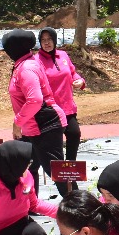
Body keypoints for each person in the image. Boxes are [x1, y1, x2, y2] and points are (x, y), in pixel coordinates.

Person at [3, 29, 66, 191]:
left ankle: (82, 211)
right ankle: (30, 205)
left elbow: (35, 100)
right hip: (31, 127)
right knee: (27, 167)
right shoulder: (23, 64)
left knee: (57, 172)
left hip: (45, 126)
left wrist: (17, 122)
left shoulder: (26, 69)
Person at [37, 27, 87, 196]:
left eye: (49, 39)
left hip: (68, 107)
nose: (46, 42)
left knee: (74, 133)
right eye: (43, 39)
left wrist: (79, 80)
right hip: (51, 112)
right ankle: (67, 189)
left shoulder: (63, 55)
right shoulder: (37, 61)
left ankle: (70, 169)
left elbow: (72, 73)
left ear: (55, 40)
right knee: (52, 149)